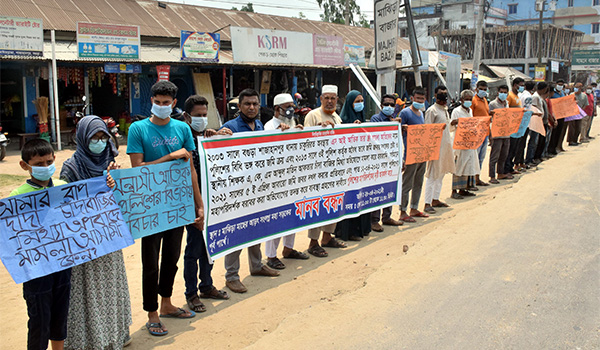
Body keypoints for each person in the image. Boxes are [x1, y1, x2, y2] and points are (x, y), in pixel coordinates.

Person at [127, 81, 204, 336]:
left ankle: (167, 303)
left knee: (171, 258)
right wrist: (169, 157)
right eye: (157, 102)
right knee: (150, 262)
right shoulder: (138, 129)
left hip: (177, 204)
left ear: (174, 102)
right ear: (151, 101)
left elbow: (190, 168)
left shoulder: (182, 127)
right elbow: (137, 168)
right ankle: (152, 312)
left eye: (166, 102)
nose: (162, 106)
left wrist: (199, 203)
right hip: (149, 207)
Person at [59, 116, 132, 349]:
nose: (100, 142)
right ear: (82, 138)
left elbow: (122, 201)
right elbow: (65, 206)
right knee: (86, 293)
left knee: (110, 289)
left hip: (109, 239)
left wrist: (114, 183)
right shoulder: (71, 168)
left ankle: (114, 335)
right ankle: (88, 341)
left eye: (103, 137)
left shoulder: (111, 163)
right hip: (83, 244)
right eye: (94, 137)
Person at [218, 88, 281, 293]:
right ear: (240, 106)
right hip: (238, 191)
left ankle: (256, 265)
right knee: (237, 231)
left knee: (257, 227)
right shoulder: (230, 127)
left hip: (258, 188)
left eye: (255, 104)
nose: (252, 107)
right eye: (247, 104)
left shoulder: (260, 125)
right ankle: (232, 275)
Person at [11, 139, 71, 350]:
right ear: (24, 165)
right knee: (39, 320)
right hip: (36, 271)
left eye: (48, 162)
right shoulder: (17, 197)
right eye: (39, 164)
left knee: (60, 316)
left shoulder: (64, 187)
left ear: (54, 159)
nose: (45, 167)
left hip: (63, 266)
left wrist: (107, 184)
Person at [180, 95, 232, 312]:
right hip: (191, 202)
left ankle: (207, 285)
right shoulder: (182, 138)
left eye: (204, 115)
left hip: (212, 201)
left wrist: (219, 137)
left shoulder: (208, 137)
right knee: (193, 248)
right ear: (186, 116)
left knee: (210, 244)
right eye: (197, 116)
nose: (202, 119)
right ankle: (191, 293)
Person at [263, 93, 309, 270]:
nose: (291, 110)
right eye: (287, 107)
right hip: (276, 181)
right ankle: (271, 255)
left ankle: (288, 249)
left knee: (293, 215)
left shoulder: (292, 124)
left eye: (292, 106)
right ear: (277, 109)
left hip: (293, 177)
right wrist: (279, 134)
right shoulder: (269, 126)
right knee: (275, 217)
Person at [302, 84, 347, 257]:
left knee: (334, 202)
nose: (329, 101)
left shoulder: (336, 116)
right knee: (318, 205)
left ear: (337, 100)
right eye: (326, 98)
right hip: (317, 171)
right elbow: (305, 139)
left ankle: (327, 237)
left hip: (334, 169)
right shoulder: (313, 115)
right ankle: (313, 242)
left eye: (332, 98)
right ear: (320, 99)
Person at [334, 90, 372, 241]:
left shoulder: (363, 118)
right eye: (357, 101)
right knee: (349, 198)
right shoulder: (342, 121)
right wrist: (351, 127)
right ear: (350, 103)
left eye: (362, 101)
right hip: (347, 168)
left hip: (361, 167)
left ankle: (361, 229)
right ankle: (347, 232)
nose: (360, 104)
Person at [369, 94, 404, 232]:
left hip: (392, 160)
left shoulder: (395, 121)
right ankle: (374, 220)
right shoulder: (376, 119)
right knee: (378, 189)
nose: (389, 107)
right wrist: (392, 124)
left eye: (392, 105)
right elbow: (376, 136)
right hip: (379, 161)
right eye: (386, 104)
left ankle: (387, 216)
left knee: (390, 188)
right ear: (381, 105)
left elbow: (397, 143)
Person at [399, 87, 431, 223]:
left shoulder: (421, 113)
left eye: (422, 99)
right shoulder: (405, 112)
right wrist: (403, 157)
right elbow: (398, 132)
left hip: (421, 153)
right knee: (407, 183)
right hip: (410, 154)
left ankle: (414, 208)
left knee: (418, 182)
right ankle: (402, 211)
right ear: (412, 99)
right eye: (417, 98)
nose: (419, 101)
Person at [423, 85, 454, 213]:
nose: (443, 96)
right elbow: (427, 130)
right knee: (432, 176)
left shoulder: (445, 109)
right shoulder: (432, 111)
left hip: (445, 146)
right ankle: (427, 203)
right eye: (441, 94)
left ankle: (436, 199)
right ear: (435, 95)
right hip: (435, 148)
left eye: (445, 94)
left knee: (441, 174)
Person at [450, 90, 480, 199]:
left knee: (468, 165)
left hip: (469, 142)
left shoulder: (470, 111)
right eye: (466, 99)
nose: (468, 101)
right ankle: (454, 191)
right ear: (462, 100)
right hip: (460, 143)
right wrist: (457, 122)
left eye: (470, 99)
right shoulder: (456, 111)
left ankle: (463, 189)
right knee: (459, 166)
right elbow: (451, 124)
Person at [488, 85, 512, 184]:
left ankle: (500, 173)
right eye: (501, 92)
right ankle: (492, 175)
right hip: (497, 133)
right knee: (495, 155)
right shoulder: (493, 104)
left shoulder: (507, 103)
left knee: (504, 154)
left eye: (505, 92)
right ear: (498, 92)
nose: (503, 94)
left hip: (506, 133)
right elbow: (488, 116)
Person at [470, 80, 490, 187]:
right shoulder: (474, 100)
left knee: (481, 157)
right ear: (476, 89)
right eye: (481, 89)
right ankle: (472, 179)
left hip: (485, 132)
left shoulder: (485, 100)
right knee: (475, 157)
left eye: (484, 89)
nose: (483, 91)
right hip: (476, 133)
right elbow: (470, 115)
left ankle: (478, 178)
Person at [525, 82, 549, 167]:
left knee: (536, 141)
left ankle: (533, 158)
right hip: (535, 121)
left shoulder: (539, 97)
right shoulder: (535, 96)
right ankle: (529, 159)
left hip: (540, 121)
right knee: (533, 141)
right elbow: (534, 108)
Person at [504, 77, 525, 175]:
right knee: (510, 149)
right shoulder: (510, 96)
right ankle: (507, 168)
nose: (522, 87)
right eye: (520, 85)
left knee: (514, 148)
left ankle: (511, 167)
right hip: (511, 127)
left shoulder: (517, 96)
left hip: (517, 126)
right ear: (515, 85)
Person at [548, 79, 567, 155]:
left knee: (559, 132)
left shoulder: (562, 93)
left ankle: (555, 148)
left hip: (561, 115)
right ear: (556, 84)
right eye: (559, 84)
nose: (560, 86)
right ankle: (550, 149)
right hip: (554, 115)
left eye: (562, 85)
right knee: (553, 133)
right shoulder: (552, 93)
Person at [567, 82, 588, 146]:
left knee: (578, 128)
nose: (576, 89)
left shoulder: (584, 96)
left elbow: (585, 104)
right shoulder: (571, 94)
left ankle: (575, 140)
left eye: (578, 87)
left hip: (579, 114)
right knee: (571, 128)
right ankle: (570, 141)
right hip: (572, 114)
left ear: (581, 88)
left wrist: (581, 111)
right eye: (575, 87)